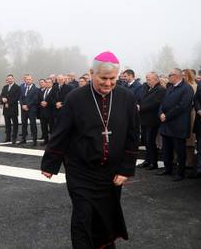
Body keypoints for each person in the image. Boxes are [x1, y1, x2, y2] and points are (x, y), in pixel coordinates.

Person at [41, 51, 139, 249]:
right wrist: (50, 163)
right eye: (103, 78)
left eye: (113, 78)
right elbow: (62, 132)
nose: (108, 83)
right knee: (82, 215)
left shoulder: (127, 97)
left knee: (105, 216)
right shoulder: (75, 98)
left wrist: (126, 169)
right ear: (92, 73)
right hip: (81, 171)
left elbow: (132, 134)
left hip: (111, 174)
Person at [157, 68, 194, 181]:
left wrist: (166, 116)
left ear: (177, 76)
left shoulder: (187, 88)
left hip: (179, 125)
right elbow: (163, 103)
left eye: (170, 75)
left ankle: (180, 173)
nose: (168, 77)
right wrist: (161, 113)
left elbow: (182, 106)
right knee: (166, 149)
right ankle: (168, 169)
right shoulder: (170, 87)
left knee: (179, 150)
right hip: (166, 124)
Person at [137, 72, 166, 170]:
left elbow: (156, 103)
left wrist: (141, 108)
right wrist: (137, 105)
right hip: (143, 119)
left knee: (150, 141)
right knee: (145, 141)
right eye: (146, 78)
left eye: (149, 79)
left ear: (156, 79)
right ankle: (147, 160)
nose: (147, 81)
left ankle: (154, 162)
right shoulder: (146, 88)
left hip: (152, 120)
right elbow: (140, 98)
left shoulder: (161, 90)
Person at [182, 69, 198, 168]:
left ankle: (190, 162)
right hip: (181, 115)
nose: (183, 77)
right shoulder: (181, 86)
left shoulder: (195, 86)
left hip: (191, 114)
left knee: (190, 140)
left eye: (184, 75)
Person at [0, 74, 21, 144]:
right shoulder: (5, 87)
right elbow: (2, 95)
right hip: (6, 109)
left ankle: (14, 138)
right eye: (8, 79)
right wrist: (2, 100)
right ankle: (8, 137)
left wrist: (8, 102)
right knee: (7, 124)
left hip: (13, 109)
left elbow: (16, 97)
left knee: (15, 124)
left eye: (11, 78)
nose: (9, 80)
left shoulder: (17, 87)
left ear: (13, 79)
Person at [19, 75, 39, 146]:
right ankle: (23, 139)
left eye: (29, 79)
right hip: (23, 109)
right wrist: (22, 105)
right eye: (27, 79)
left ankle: (34, 140)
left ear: (32, 80)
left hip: (31, 109)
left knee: (33, 125)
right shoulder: (22, 88)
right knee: (24, 124)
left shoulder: (36, 89)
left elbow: (35, 99)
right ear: (25, 80)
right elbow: (20, 98)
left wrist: (27, 105)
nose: (28, 80)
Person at [38, 78, 56, 146]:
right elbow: (39, 99)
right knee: (44, 128)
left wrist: (47, 103)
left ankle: (52, 141)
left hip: (50, 112)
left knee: (52, 128)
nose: (48, 83)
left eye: (49, 82)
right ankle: (46, 140)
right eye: (47, 82)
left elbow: (55, 100)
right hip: (43, 113)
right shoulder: (43, 91)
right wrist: (41, 102)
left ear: (52, 83)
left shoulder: (54, 90)